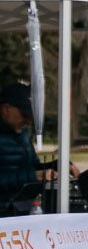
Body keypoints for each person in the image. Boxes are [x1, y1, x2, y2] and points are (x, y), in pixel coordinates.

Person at [0, 83, 43, 215]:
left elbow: (34, 167)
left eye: (31, 116)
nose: (29, 121)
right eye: (25, 115)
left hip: (19, 211)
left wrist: (59, 167)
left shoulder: (23, 134)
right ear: (6, 109)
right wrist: (32, 176)